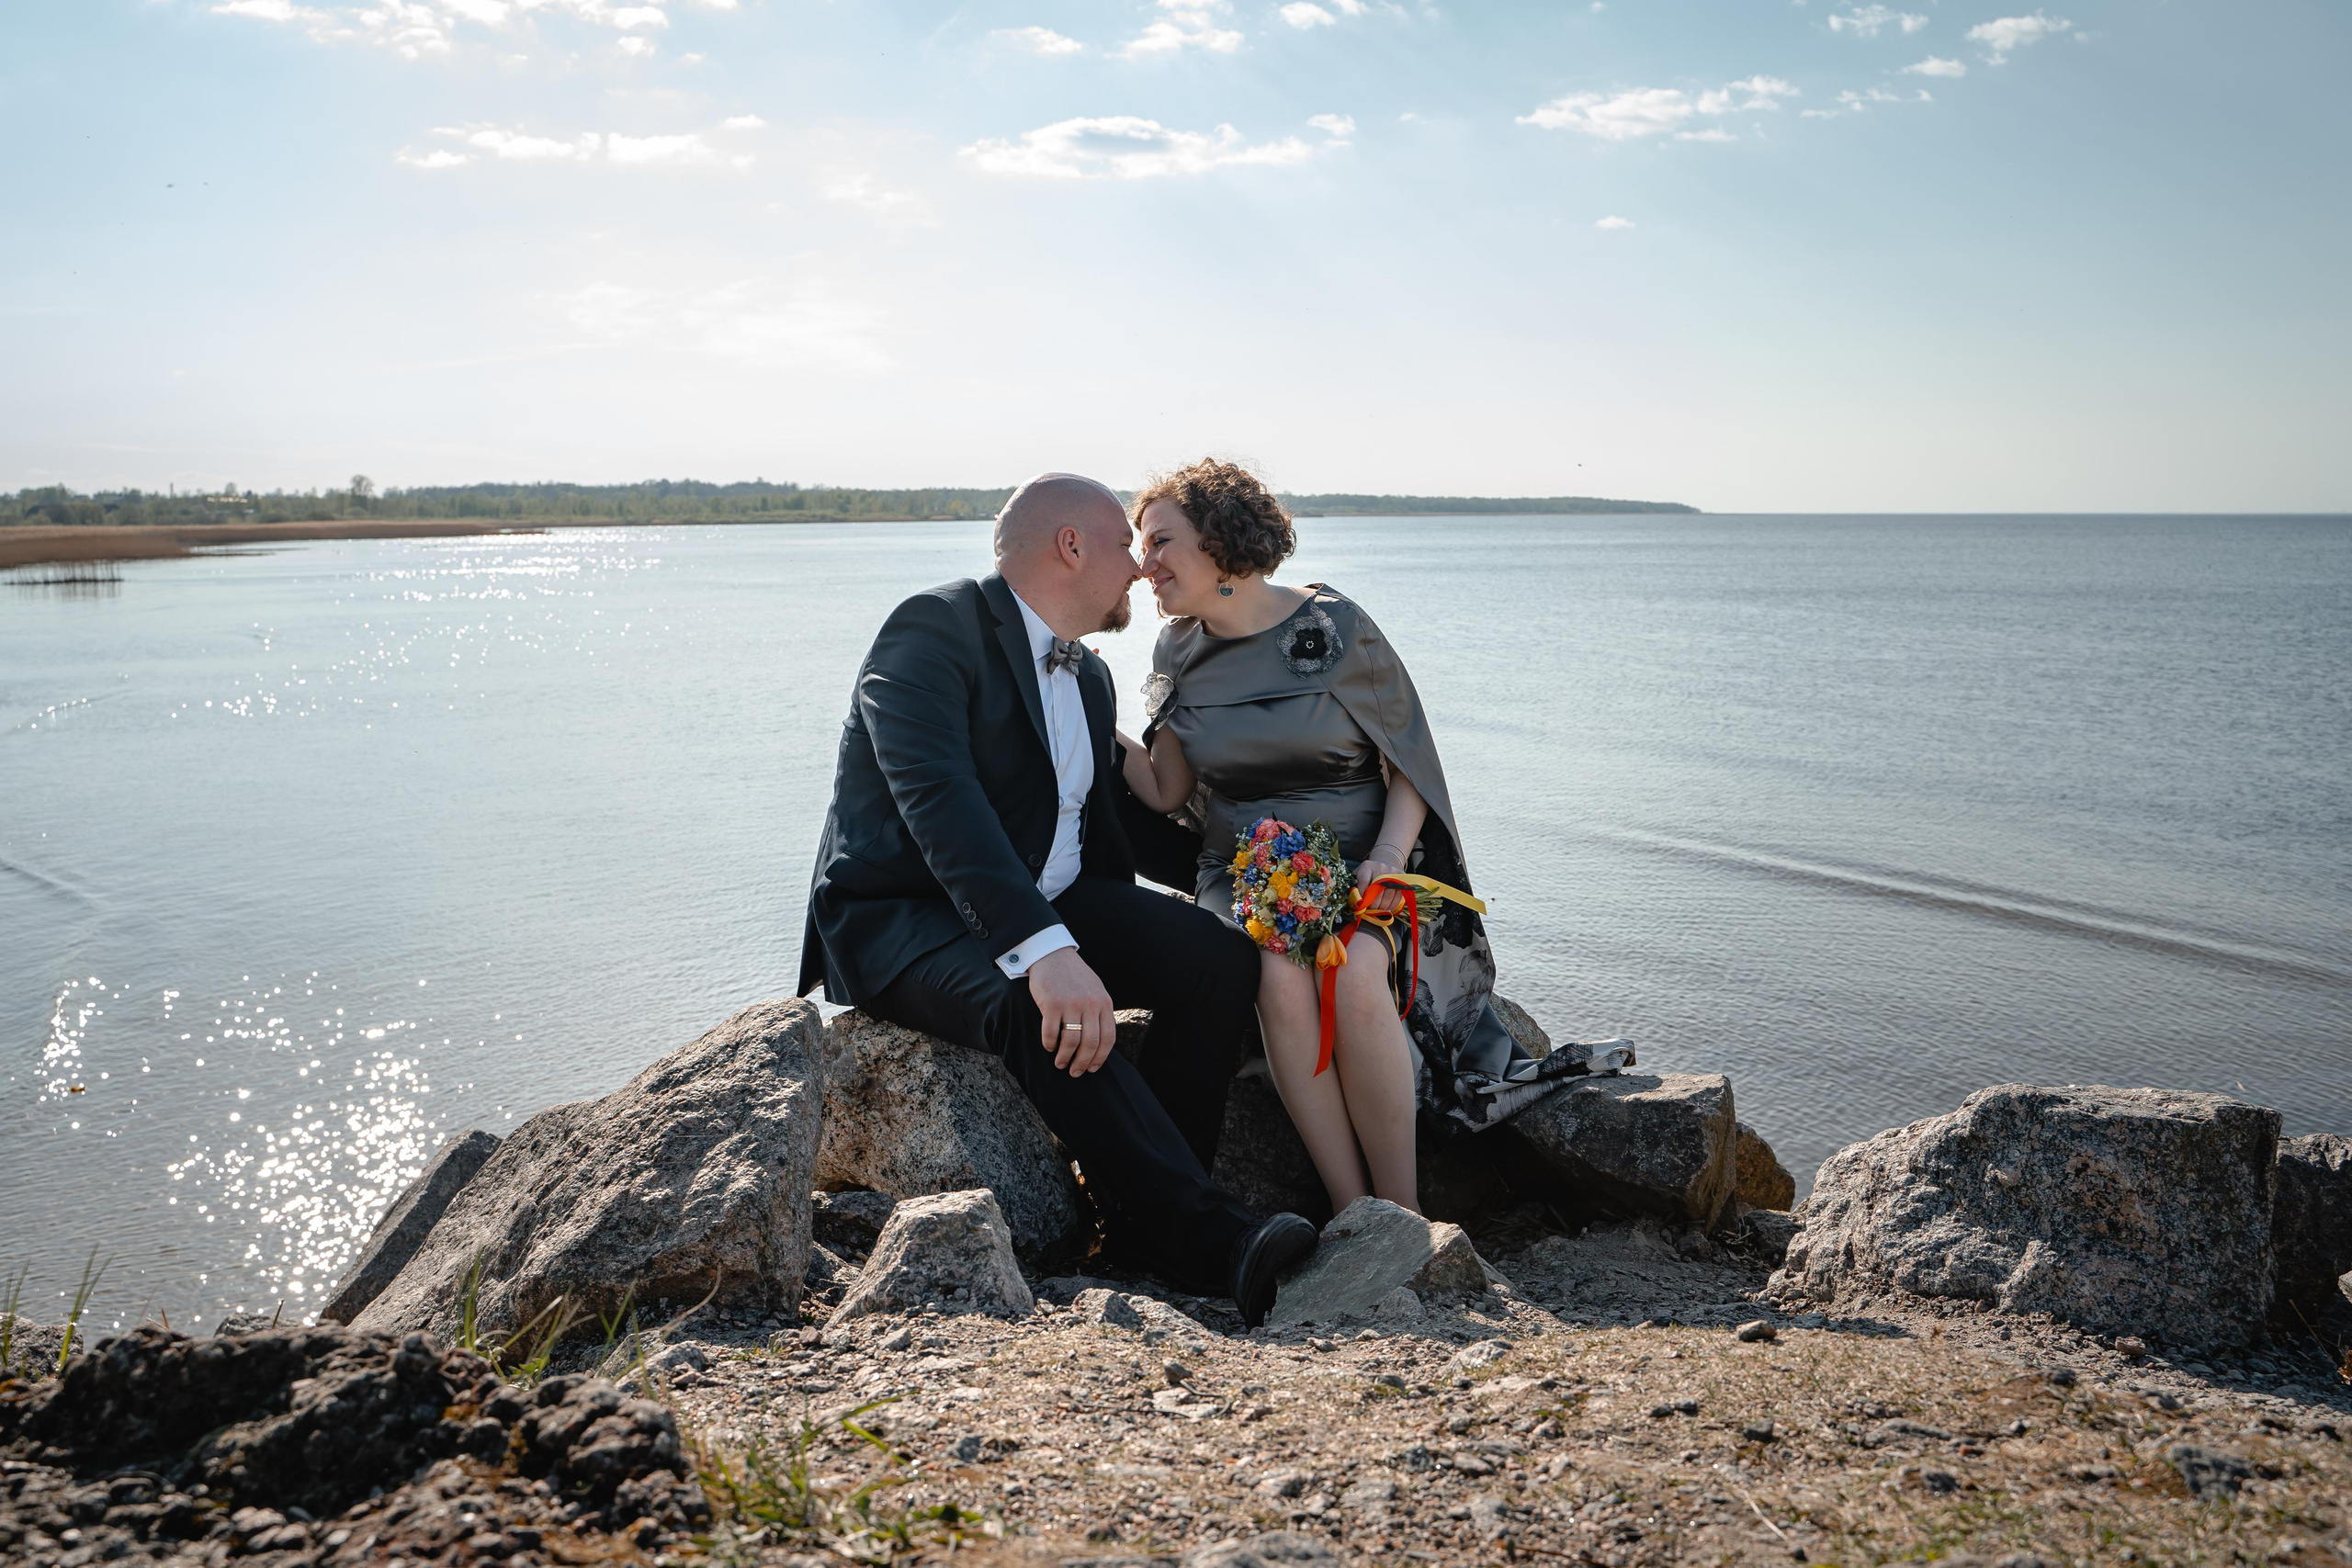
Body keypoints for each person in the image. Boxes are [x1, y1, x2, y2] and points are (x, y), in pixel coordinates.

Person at [797, 472, 1319, 1325]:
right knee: (1036, 1005)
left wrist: (1256, 884)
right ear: (1071, 546)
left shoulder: (1087, 679)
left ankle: (1148, 1217)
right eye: (1128, 544)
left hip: (1058, 897)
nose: (1143, 568)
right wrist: (1044, 949)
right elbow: (940, 803)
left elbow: (1110, 818)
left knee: (1216, 959)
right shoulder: (932, 629)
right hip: (905, 916)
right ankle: (1210, 1239)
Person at [1119, 459, 1626, 1216]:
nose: (1143, 563)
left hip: (1369, 864)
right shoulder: (1175, 654)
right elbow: (1166, 788)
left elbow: (1410, 763)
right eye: (1138, 544)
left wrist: (1388, 859)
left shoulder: (1336, 629)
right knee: (1279, 975)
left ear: (1220, 539)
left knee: (1356, 972)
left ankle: (1407, 1214)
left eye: (1160, 541)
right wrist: (1090, 709)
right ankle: (1355, 1212)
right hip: (1241, 875)